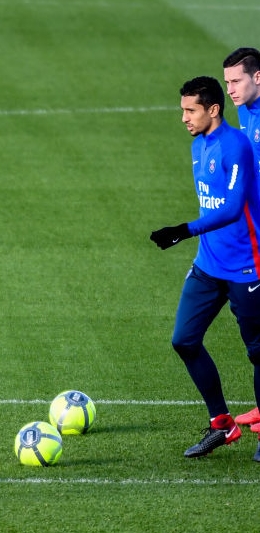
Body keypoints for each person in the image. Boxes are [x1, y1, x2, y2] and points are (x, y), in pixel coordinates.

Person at [150, 76, 260, 461]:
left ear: (213, 109)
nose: (184, 117)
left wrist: (184, 231)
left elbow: (232, 208)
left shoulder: (236, 145)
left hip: (246, 268)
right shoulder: (198, 145)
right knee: (184, 340)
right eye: (182, 109)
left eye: (190, 110)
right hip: (209, 265)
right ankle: (222, 424)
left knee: (258, 352)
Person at [222, 48, 260, 432]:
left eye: (236, 81)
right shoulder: (246, 111)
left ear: (258, 77)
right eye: (227, 82)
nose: (230, 89)